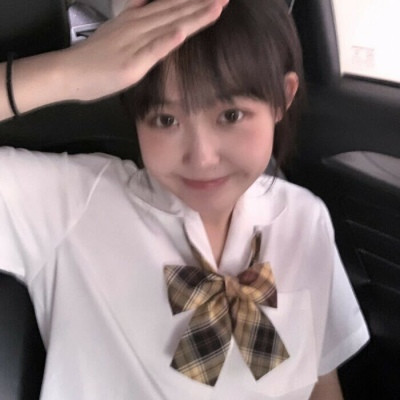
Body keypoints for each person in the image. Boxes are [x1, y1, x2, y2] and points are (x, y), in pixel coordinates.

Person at [0, 0, 369, 399]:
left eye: (231, 115)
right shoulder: (72, 204)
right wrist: (66, 71)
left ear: (283, 98)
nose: (202, 158)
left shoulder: (304, 218)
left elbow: (320, 381)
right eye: (166, 120)